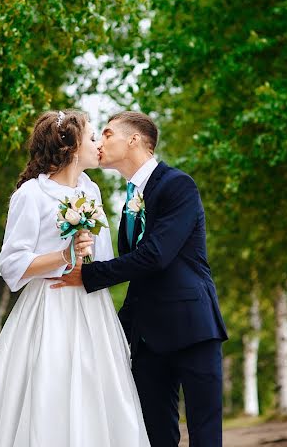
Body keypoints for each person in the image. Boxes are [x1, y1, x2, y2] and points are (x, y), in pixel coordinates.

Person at [0, 110, 150, 447]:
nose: (97, 145)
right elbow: (12, 264)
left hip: (92, 308)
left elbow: (102, 258)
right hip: (49, 306)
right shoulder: (31, 194)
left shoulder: (91, 192)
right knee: (49, 387)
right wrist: (63, 256)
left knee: (99, 392)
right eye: (91, 138)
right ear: (72, 147)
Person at [52, 111, 228, 447]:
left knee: (205, 435)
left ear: (134, 139)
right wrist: (116, 328)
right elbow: (139, 276)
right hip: (147, 339)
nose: (98, 143)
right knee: (154, 436)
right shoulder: (130, 201)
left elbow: (155, 256)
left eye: (106, 134)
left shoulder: (178, 185)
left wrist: (88, 275)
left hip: (193, 328)